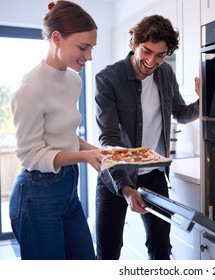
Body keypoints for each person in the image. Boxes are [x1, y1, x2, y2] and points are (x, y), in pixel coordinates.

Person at [94, 14, 200, 260]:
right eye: (147, 51)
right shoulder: (107, 79)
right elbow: (109, 138)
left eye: (160, 55)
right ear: (135, 44)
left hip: (153, 175)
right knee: (108, 253)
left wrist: (203, 101)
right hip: (115, 178)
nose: (152, 61)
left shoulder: (165, 75)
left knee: (161, 249)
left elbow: (182, 115)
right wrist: (126, 189)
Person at [9, 1, 103, 260]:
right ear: (57, 38)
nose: (89, 56)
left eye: (92, 48)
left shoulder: (73, 80)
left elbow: (64, 136)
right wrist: (85, 157)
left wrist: (101, 152)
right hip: (37, 195)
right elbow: (30, 155)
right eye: (83, 47)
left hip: (68, 192)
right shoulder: (29, 88)